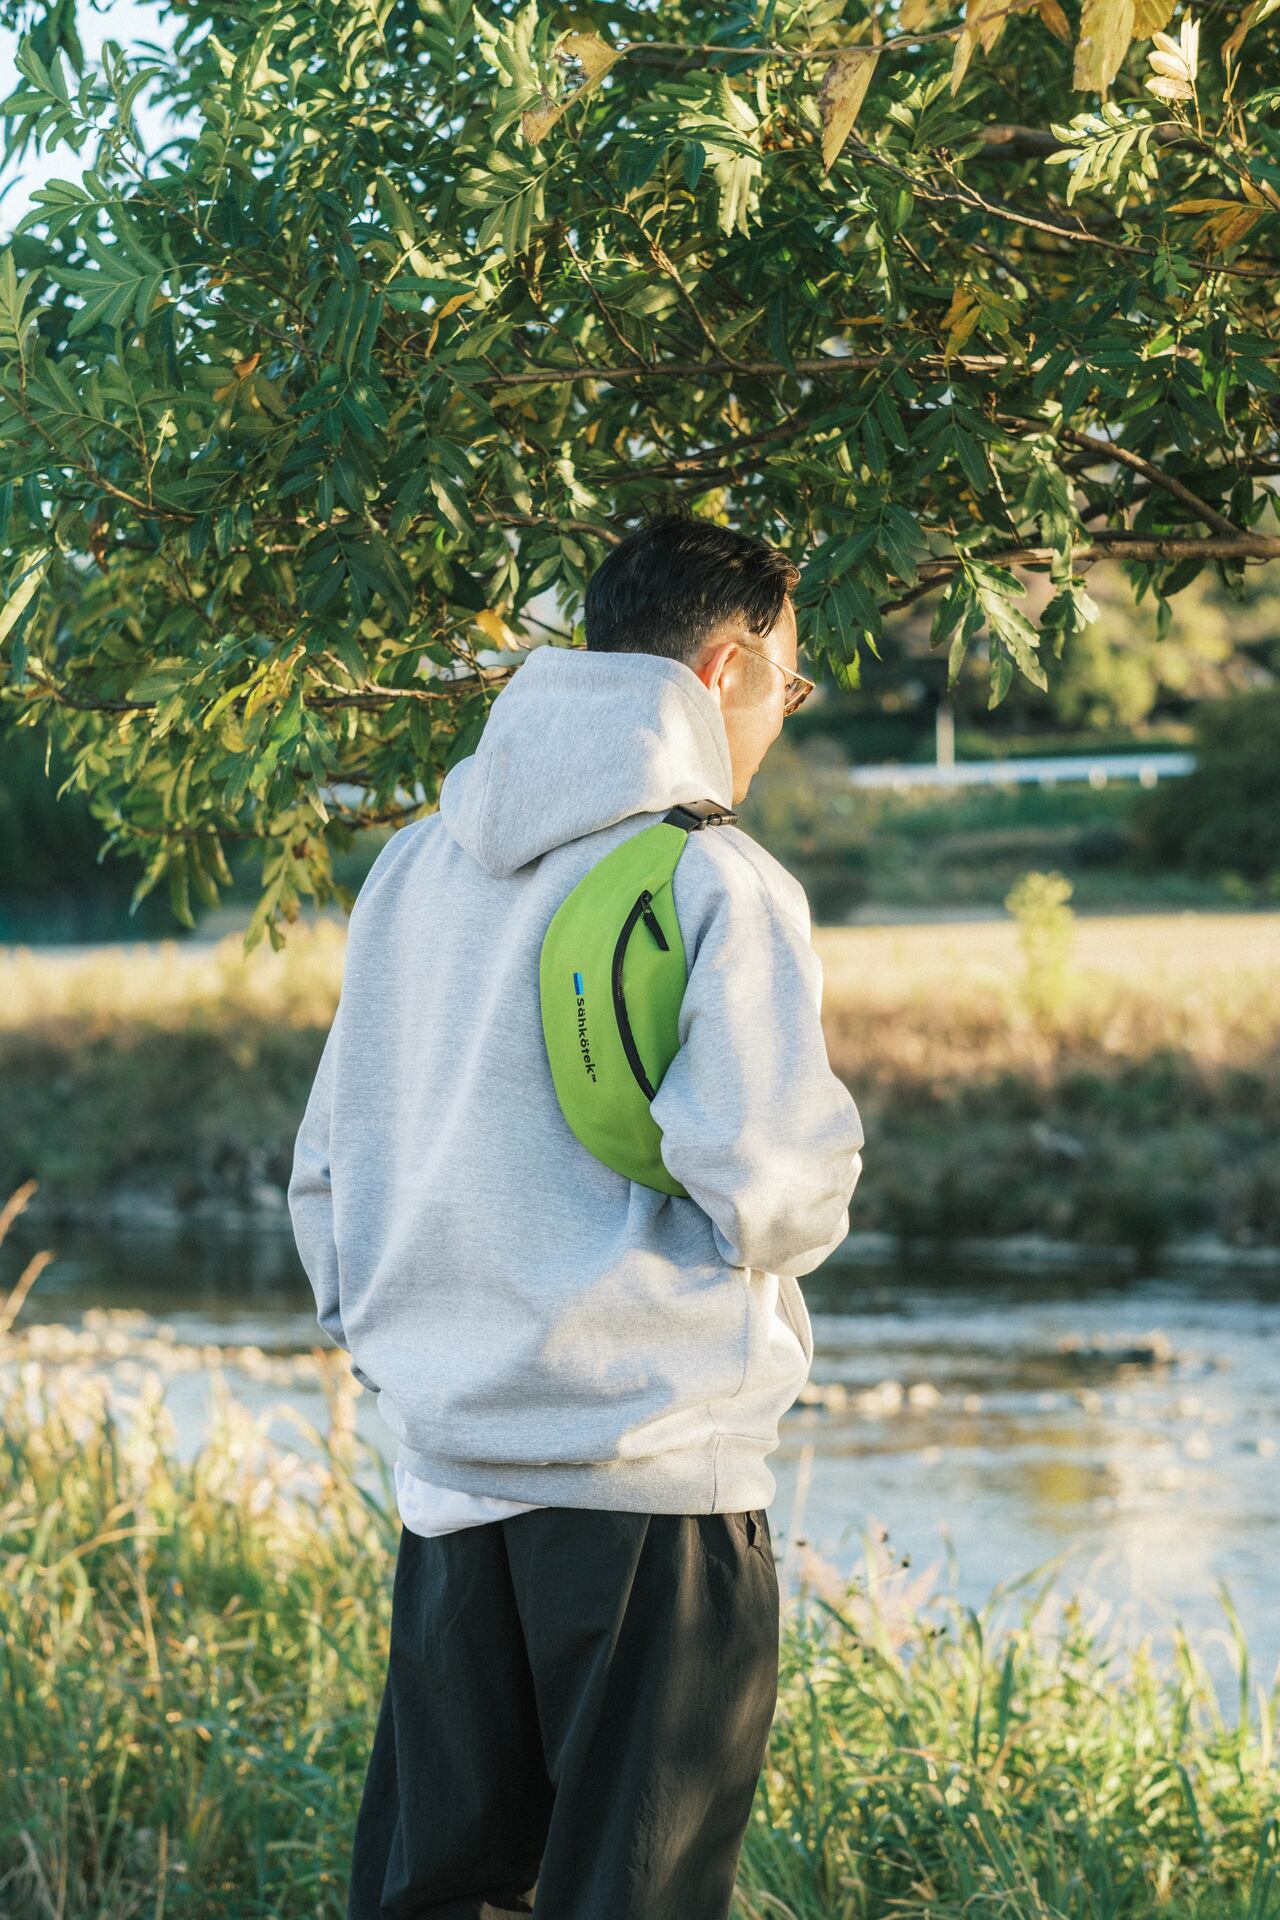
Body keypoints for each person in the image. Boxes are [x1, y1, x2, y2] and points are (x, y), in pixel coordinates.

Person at [288, 512, 866, 1920]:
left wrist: (410, 1355)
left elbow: (325, 1175)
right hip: (651, 1482)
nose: (778, 719)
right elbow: (779, 1194)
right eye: (789, 685)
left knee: (437, 1894)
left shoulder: (411, 868)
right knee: (635, 1894)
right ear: (724, 669)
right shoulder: (713, 876)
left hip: (448, 1475)